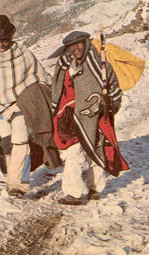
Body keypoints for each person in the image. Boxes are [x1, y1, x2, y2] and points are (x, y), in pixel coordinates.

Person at [0, 15, 59, 198]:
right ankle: (12, 179)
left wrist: (35, 91)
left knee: (20, 140)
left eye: (5, 40)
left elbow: (39, 74)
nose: (2, 45)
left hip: (21, 104)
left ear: (10, 38)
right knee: (7, 143)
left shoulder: (23, 53)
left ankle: (17, 186)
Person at [51, 31, 128, 205]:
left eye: (78, 44)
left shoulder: (100, 66)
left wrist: (109, 101)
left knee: (96, 149)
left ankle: (95, 188)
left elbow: (115, 88)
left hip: (96, 115)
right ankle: (74, 193)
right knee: (73, 153)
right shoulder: (65, 66)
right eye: (71, 45)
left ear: (86, 44)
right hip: (71, 117)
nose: (75, 48)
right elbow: (58, 90)